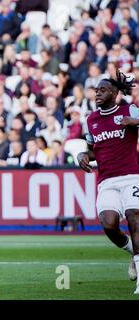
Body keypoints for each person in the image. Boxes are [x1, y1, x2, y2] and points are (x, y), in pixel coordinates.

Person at [77, 69, 139, 294]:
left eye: (103, 90)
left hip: (132, 176)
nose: (97, 94)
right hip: (106, 181)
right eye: (96, 90)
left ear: (115, 93)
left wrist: (135, 121)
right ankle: (134, 251)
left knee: (134, 217)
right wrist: (82, 156)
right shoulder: (91, 119)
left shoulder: (128, 109)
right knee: (108, 224)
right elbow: (93, 151)